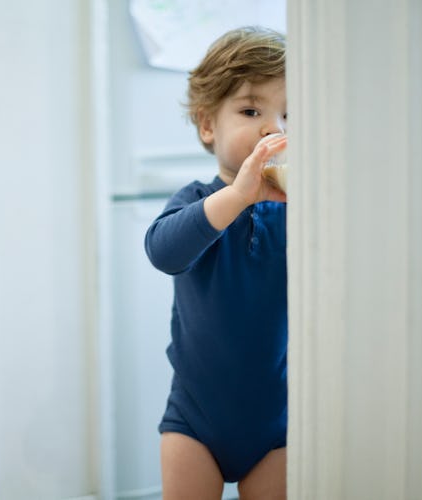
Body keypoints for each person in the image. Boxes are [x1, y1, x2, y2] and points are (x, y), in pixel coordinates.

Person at [144, 26, 288, 500]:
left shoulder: (300, 211)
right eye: (252, 110)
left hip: (278, 422)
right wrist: (237, 197)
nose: (275, 128)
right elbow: (163, 252)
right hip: (194, 420)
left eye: (290, 115)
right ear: (208, 125)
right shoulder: (198, 202)